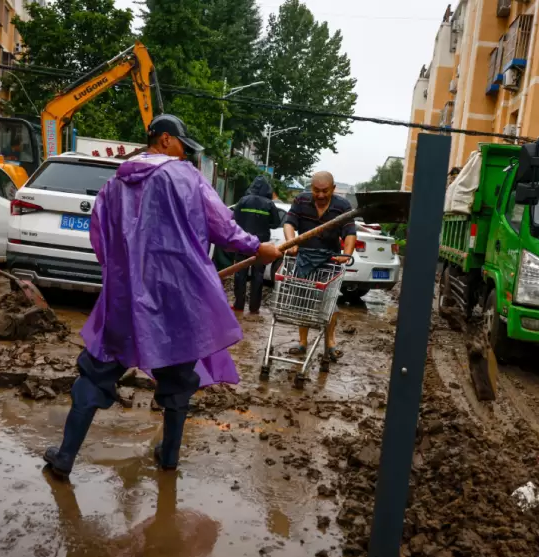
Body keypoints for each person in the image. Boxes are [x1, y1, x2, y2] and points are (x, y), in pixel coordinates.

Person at [43, 114, 282, 476]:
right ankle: (168, 457)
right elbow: (223, 228)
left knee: (97, 372)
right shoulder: (186, 177)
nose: (186, 154)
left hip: (125, 299)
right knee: (178, 376)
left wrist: (123, 278)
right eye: (183, 146)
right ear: (166, 140)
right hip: (179, 298)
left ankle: (64, 458)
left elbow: (100, 239)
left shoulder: (113, 184)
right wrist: (257, 247)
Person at [283, 171, 357, 363]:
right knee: (303, 299)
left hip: (329, 261)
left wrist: (346, 254)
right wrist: (291, 242)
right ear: (311, 188)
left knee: (330, 302)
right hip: (304, 259)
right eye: (317, 191)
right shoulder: (301, 201)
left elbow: (349, 232)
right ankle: (302, 342)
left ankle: (331, 343)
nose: (321, 195)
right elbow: (289, 224)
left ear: (333, 189)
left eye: (325, 191)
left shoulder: (342, 206)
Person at [232, 176, 281, 313]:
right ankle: (254, 309)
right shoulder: (269, 204)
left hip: (243, 242)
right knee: (258, 276)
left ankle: (238, 306)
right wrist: (265, 223)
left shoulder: (243, 200)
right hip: (261, 245)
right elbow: (276, 223)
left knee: (240, 274)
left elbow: (234, 218)